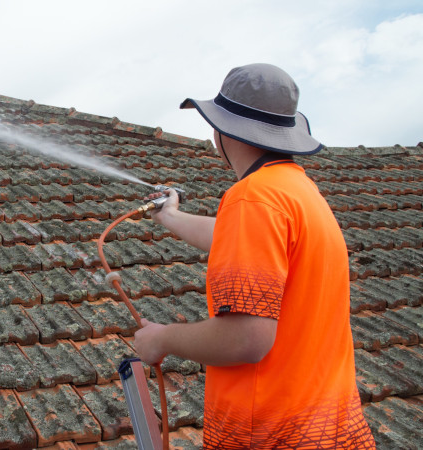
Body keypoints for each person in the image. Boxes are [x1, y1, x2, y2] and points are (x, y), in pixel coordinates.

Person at [134, 63, 375, 448]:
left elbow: (246, 339)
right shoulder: (298, 191)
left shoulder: (253, 198)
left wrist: (163, 338)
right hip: (329, 428)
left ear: (221, 130)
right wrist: (171, 215)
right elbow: (236, 239)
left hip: (272, 434)